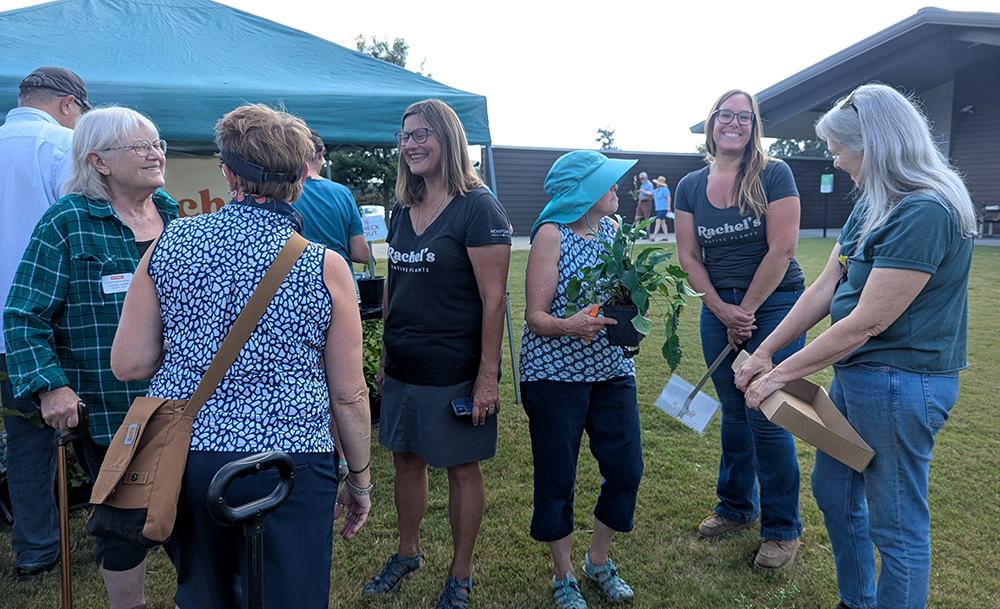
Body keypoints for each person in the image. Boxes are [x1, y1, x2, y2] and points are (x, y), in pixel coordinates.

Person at [110, 103, 372, 609]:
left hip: (187, 455)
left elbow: (130, 363)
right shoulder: (325, 265)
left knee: (207, 596)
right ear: (301, 175)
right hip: (291, 460)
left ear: (227, 172)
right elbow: (349, 394)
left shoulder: (170, 242)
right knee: (292, 598)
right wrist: (359, 481)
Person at [736, 84, 977, 609]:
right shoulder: (875, 202)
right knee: (835, 491)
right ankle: (857, 600)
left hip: (900, 385)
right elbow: (826, 286)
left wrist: (778, 375)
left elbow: (867, 321)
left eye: (840, 149)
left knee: (896, 525)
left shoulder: (925, 210)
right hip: (859, 378)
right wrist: (766, 350)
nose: (834, 159)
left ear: (874, 145)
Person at [4, 106, 177, 609]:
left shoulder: (173, 216)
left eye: (158, 143)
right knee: (122, 526)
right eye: (140, 146)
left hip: (185, 400)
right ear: (99, 161)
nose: (155, 153)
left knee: (192, 514)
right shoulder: (68, 222)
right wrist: (50, 386)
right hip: (111, 408)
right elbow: (23, 315)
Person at [362, 99, 511, 609]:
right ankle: (407, 553)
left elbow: (494, 300)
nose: (411, 144)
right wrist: (385, 355)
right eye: (405, 136)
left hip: (456, 369)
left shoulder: (478, 207)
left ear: (448, 139)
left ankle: (460, 574)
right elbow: (394, 286)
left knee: (462, 468)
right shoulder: (403, 207)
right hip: (405, 364)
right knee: (406, 459)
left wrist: (486, 377)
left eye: (422, 134)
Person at [674, 89, 805, 569]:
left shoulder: (774, 173)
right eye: (725, 115)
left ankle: (782, 529)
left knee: (767, 412)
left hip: (774, 304)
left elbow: (782, 250)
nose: (734, 123)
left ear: (754, 127)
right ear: (712, 123)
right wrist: (721, 309)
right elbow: (689, 256)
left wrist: (744, 312)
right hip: (719, 307)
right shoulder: (689, 185)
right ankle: (735, 508)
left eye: (744, 117)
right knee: (733, 412)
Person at [520, 150, 642, 609]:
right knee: (558, 475)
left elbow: (620, 293)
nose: (616, 188)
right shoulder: (551, 235)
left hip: (611, 369)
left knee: (626, 468)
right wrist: (571, 325)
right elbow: (535, 317)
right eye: (608, 182)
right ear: (583, 191)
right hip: (554, 375)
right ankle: (564, 575)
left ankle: (598, 560)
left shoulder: (612, 231)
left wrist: (636, 310)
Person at [0, 65, 89, 582]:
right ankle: (124, 528)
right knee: (103, 427)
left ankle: (35, 548)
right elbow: (81, 231)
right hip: (59, 321)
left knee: (25, 440)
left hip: (9, 334)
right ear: (67, 104)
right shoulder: (64, 146)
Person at [295, 129, 370, 265]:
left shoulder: (285, 194)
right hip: (340, 274)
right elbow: (361, 254)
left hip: (299, 273)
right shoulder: (342, 193)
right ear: (321, 152)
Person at [649, 175, 672, 241]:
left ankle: (653, 236)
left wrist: (668, 207)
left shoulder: (665, 190)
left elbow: (668, 198)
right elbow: (650, 193)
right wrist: (642, 191)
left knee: (658, 221)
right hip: (658, 209)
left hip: (663, 208)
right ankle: (666, 237)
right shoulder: (656, 190)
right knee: (663, 222)